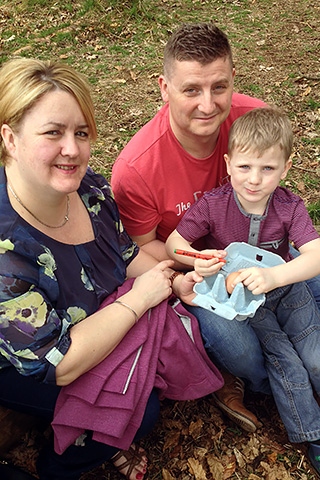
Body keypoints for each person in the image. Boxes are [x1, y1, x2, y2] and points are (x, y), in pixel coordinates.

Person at [0, 58, 225, 480]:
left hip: (93, 322)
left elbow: (126, 257)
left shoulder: (91, 191)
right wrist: (140, 300)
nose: (72, 149)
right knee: (138, 410)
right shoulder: (6, 253)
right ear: (10, 138)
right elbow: (57, 361)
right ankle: (58, 466)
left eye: (81, 133)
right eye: (53, 132)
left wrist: (176, 282)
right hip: (23, 362)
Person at [111, 21, 273, 432]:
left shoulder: (255, 122)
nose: (207, 104)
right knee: (243, 351)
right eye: (190, 90)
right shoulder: (136, 170)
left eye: (219, 87)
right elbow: (143, 249)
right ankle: (239, 378)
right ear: (163, 88)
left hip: (256, 250)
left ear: (233, 79)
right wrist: (195, 275)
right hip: (195, 274)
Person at [165, 107, 320, 473]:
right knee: (287, 362)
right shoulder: (214, 205)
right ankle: (311, 434)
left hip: (287, 289)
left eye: (267, 169)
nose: (254, 179)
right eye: (246, 167)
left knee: (314, 354)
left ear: (284, 168)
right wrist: (197, 257)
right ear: (229, 163)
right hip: (252, 304)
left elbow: (314, 255)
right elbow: (175, 243)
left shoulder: (289, 206)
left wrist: (276, 278)